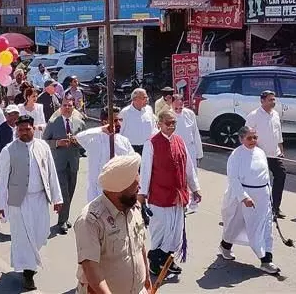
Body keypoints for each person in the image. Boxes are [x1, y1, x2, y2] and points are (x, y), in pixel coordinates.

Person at [0, 115, 63, 291]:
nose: (23, 132)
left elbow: (51, 173)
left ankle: (30, 263)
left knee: (41, 233)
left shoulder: (43, 146)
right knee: (22, 238)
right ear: (17, 130)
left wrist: (57, 198)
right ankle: (28, 273)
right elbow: (2, 180)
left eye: (27, 129)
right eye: (20, 129)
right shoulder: (8, 150)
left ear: (33, 128)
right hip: (18, 201)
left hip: (40, 198)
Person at [74, 154, 150, 294]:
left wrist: (147, 281)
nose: (139, 187)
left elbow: (140, 247)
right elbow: (91, 269)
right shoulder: (90, 220)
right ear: (120, 188)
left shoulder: (134, 207)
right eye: (135, 183)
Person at [138, 110, 202, 275]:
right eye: (168, 123)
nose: (171, 126)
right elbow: (145, 171)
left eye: (174, 123)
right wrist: (142, 195)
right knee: (161, 230)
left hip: (178, 195)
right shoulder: (151, 143)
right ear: (159, 124)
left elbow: (188, 167)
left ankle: (167, 260)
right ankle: (154, 261)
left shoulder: (180, 141)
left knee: (175, 232)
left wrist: (195, 188)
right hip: (159, 196)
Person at [220, 126, 280, 274]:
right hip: (244, 196)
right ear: (241, 139)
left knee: (264, 227)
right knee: (236, 224)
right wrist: (244, 197)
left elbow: (265, 177)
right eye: (249, 138)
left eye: (255, 137)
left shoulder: (260, 152)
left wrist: (269, 195)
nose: (253, 141)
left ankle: (266, 260)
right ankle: (225, 246)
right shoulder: (236, 155)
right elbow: (233, 179)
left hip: (263, 197)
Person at [42, 98, 85, 234]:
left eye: (70, 106)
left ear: (73, 108)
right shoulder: (53, 123)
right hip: (59, 164)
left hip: (73, 163)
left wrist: (77, 142)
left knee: (70, 191)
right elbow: (44, 141)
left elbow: (85, 143)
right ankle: (62, 222)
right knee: (64, 194)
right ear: (60, 107)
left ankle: (65, 218)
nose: (67, 108)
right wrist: (57, 143)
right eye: (64, 105)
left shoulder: (80, 122)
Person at [75, 106, 134, 202]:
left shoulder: (124, 141)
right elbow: (79, 137)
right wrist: (101, 129)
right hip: (96, 192)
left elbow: (132, 163)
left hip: (118, 191)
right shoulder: (93, 139)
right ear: (104, 122)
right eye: (115, 120)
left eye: (120, 120)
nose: (119, 123)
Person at [244, 90, 286, 219]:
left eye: (274, 100)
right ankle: (253, 208)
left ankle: (275, 208)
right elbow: (247, 134)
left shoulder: (275, 114)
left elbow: (278, 133)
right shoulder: (254, 115)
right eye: (270, 100)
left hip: (274, 154)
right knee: (258, 182)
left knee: (281, 175)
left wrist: (281, 149)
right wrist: (252, 150)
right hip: (259, 155)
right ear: (262, 101)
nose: (273, 102)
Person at [171, 94, 203, 212]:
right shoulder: (168, 115)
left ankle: (194, 201)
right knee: (179, 176)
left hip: (190, 148)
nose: (179, 110)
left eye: (181, 107)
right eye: (176, 108)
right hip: (176, 149)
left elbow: (195, 133)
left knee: (192, 174)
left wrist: (199, 153)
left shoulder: (189, 114)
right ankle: (182, 200)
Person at [119, 88, 157, 154]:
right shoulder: (125, 113)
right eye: (144, 98)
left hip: (147, 147)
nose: (147, 100)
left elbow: (153, 127)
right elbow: (119, 131)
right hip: (131, 148)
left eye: (147, 97)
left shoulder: (149, 109)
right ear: (134, 99)